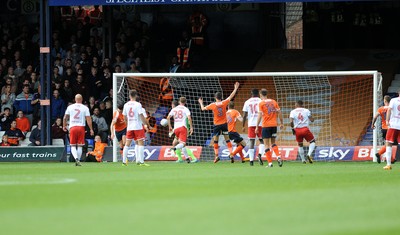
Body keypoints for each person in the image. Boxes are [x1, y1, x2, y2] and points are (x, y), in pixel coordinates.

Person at [198, 82, 239, 163]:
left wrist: (200, 102)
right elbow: (231, 96)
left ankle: (216, 156)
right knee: (227, 140)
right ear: (221, 97)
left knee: (215, 141)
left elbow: (202, 109)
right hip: (224, 124)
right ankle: (231, 154)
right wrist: (235, 88)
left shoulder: (213, 105)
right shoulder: (224, 103)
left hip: (217, 125)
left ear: (215, 97)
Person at [122, 90, 152, 166]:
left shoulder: (126, 105)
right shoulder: (138, 104)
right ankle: (141, 162)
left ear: (129, 96)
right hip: (138, 126)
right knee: (141, 143)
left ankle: (124, 162)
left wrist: (127, 125)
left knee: (127, 144)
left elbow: (124, 117)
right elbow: (141, 115)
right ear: (135, 95)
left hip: (130, 127)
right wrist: (145, 123)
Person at [255, 89, 284, 168]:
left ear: (261, 95)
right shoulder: (274, 102)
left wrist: (257, 126)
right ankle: (278, 157)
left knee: (266, 145)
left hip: (266, 126)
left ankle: (270, 163)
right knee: (273, 143)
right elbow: (280, 112)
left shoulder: (261, 103)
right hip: (274, 125)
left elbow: (260, 115)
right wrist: (281, 123)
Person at [63, 94, 94, 166]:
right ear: (82, 99)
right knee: (80, 146)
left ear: (75, 99)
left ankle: (76, 158)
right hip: (81, 127)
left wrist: (64, 125)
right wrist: (91, 129)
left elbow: (65, 118)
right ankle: (78, 160)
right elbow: (88, 119)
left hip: (73, 127)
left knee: (73, 145)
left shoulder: (70, 107)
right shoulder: (85, 108)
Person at [167, 97, 196, 163]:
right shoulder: (186, 109)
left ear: (179, 102)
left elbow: (168, 117)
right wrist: (191, 127)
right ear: (185, 102)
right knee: (182, 144)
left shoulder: (174, 109)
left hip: (176, 129)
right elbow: (189, 118)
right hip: (183, 128)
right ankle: (174, 148)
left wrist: (170, 127)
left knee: (180, 143)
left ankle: (187, 158)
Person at [242, 88, 265, 166]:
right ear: (258, 93)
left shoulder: (247, 102)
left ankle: (251, 161)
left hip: (251, 124)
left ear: (251, 93)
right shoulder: (261, 101)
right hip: (260, 124)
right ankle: (259, 155)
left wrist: (243, 125)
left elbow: (244, 115)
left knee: (252, 142)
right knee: (262, 140)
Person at [371, 95, 395, 164]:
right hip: (390, 128)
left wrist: (372, 124)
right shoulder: (392, 108)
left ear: (385, 101)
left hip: (384, 129)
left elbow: (375, 117)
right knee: (389, 144)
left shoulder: (381, 109)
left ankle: (392, 159)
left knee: (388, 144)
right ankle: (379, 154)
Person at [383, 89, 400, 170]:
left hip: (393, 125)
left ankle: (389, 165)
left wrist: (387, 120)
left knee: (388, 143)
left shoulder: (393, 100)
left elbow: (389, 110)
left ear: (398, 93)